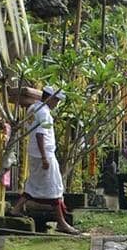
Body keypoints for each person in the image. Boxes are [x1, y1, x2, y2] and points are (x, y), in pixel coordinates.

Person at [10, 86, 80, 235]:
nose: (57, 104)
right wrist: (44, 157)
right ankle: (61, 223)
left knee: (34, 183)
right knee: (54, 187)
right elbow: (40, 135)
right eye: (57, 100)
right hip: (44, 154)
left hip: (34, 153)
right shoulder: (44, 113)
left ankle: (16, 209)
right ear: (51, 98)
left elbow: (30, 128)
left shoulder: (33, 108)